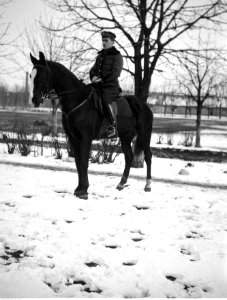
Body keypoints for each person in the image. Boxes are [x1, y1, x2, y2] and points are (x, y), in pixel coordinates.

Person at [90, 31, 123, 138]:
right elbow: (93, 69)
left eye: (106, 40)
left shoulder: (117, 55)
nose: (104, 43)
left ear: (112, 42)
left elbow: (116, 72)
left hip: (111, 87)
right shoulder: (100, 56)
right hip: (98, 85)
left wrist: (102, 79)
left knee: (104, 98)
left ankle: (113, 126)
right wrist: (93, 77)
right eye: (103, 40)